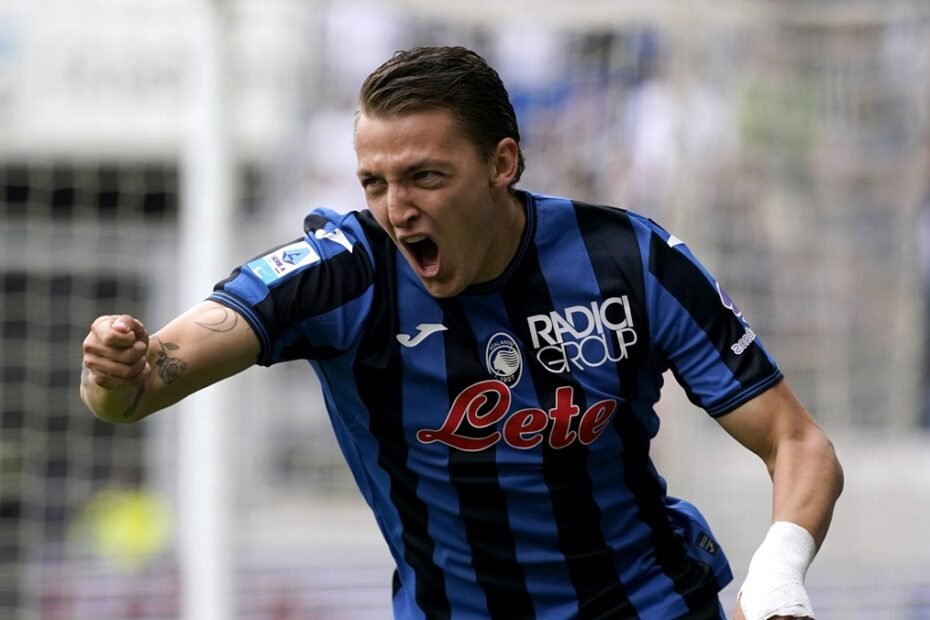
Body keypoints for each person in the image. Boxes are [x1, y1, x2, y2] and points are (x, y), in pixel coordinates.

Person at [80, 46, 843, 619]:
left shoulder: (628, 260)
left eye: (426, 177)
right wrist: (116, 371)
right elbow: (140, 388)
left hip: (650, 605)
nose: (396, 209)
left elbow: (796, 441)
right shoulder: (341, 275)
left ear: (501, 163)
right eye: (374, 183)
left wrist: (778, 573)